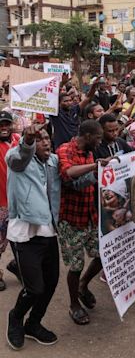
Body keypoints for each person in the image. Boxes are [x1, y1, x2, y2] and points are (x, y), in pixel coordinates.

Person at [5, 125, 61, 350]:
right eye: (39, 139)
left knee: (50, 284)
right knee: (34, 288)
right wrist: (27, 142)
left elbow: (70, 172)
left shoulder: (53, 162)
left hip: (49, 232)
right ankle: (16, 318)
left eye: (47, 138)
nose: (45, 142)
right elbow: (18, 158)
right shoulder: (17, 158)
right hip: (24, 236)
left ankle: (33, 324)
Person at [56, 120, 109, 325]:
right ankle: (74, 305)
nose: (99, 141)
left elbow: (85, 180)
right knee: (75, 266)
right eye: (97, 137)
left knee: (102, 255)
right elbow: (69, 175)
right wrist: (95, 168)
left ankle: (83, 286)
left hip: (89, 215)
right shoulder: (65, 150)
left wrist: (96, 173)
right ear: (87, 136)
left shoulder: (88, 151)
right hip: (71, 219)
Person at [0, 111, 20, 291]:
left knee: (21, 239)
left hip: (19, 201)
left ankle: (18, 267)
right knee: (0, 242)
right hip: (1, 203)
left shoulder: (18, 140)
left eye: (7, 124)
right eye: (1, 125)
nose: (4, 127)